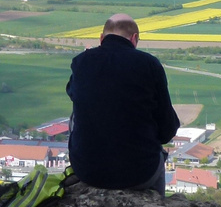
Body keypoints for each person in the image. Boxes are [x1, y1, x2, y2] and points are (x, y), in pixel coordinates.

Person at [65, 13, 180, 195]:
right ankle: (156, 205)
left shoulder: (81, 61)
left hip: (87, 171)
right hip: (139, 174)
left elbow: (74, 94)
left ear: (102, 38)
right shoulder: (149, 64)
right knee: (155, 153)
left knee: (75, 116)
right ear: (134, 38)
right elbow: (167, 128)